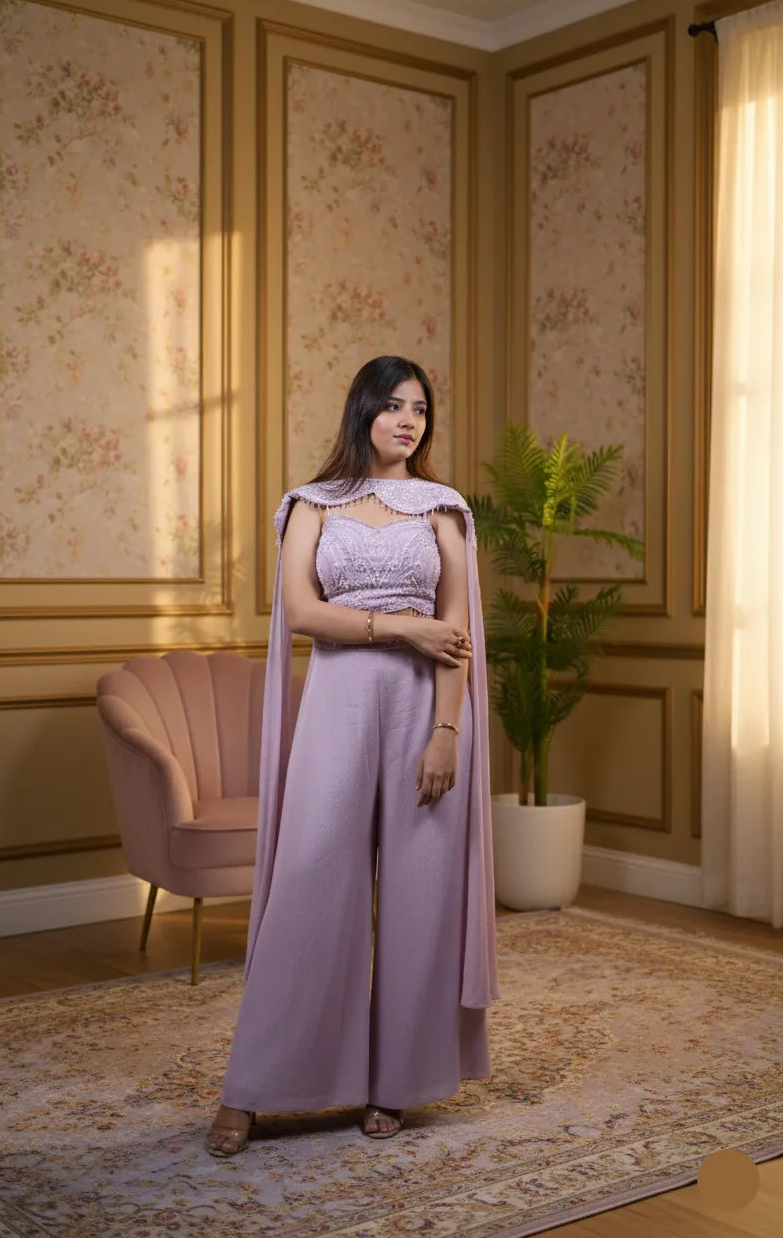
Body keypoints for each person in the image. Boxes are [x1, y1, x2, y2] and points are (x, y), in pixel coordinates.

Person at [207, 354, 500, 1156]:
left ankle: (395, 1084)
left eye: (421, 409)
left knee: (420, 898)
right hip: (338, 702)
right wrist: (398, 627)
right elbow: (301, 610)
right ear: (363, 412)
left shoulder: (444, 509)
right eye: (394, 406)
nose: (409, 421)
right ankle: (254, 1088)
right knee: (307, 892)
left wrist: (447, 732)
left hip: (425, 712)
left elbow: (457, 637)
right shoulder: (311, 504)